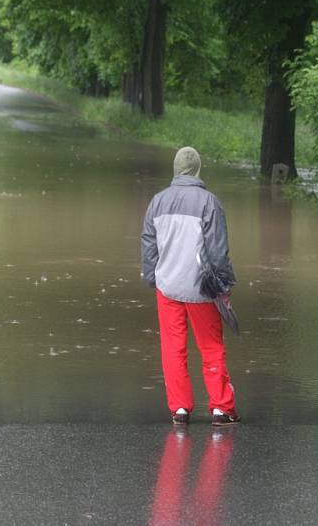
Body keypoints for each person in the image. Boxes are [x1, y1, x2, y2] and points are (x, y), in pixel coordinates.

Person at [141, 146, 239, 426]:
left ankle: (180, 409)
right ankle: (221, 407)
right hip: (202, 288)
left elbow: (149, 247)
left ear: (175, 169)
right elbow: (218, 251)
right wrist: (224, 284)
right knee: (211, 346)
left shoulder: (157, 202)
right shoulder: (210, 202)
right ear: (198, 169)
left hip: (168, 287)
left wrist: (153, 278)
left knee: (173, 348)